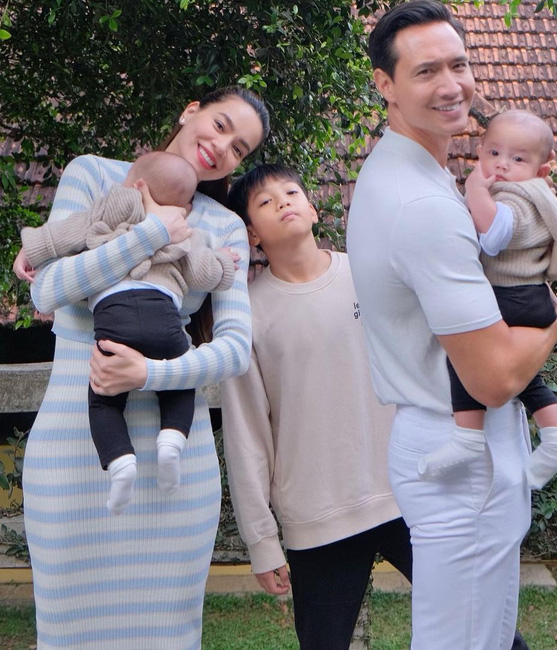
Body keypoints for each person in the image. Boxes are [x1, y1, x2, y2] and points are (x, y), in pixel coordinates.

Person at [12, 85, 269, 650]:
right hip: (74, 452)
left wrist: (148, 375)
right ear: (190, 110)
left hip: (174, 468)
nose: (223, 148)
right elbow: (50, 289)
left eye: (240, 149)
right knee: (67, 633)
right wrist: (152, 234)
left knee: (168, 635)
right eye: (221, 125)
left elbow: (234, 350)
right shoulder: (93, 175)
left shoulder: (223, 226)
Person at [346, 2, 557, 649]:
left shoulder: (408, 171)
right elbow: (493, 377)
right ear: (385, 85)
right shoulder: (422, 203)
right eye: (426, 71)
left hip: (450, 442)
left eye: (459, 64)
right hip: (459, 452)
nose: (451, 85)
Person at [221, 163, 413, 650]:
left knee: (488, 624)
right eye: (265, 202)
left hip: (410, 492)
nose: (283, 202)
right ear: (252, 234)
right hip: (317, 515)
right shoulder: (247, 314)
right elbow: (246, 435)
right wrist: (261, 541)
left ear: (311, 208)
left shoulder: (370, 273)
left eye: (291, 192)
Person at [20, 151, 239, 515]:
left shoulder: (113, 204)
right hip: (164, 319)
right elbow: (206, 274)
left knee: (103, 398)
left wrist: (31, 252)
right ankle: (171, 441)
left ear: (136, 184)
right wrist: (224, 262)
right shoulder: (188, 230)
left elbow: (66, 233)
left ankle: (120, 461)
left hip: (114, 318)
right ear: (185, 205)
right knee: (180, 384)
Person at [419, 109, 557, 488]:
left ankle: (467, 436)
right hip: (530, 298)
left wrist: (476, 190)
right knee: (526, 377)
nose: (502, 165)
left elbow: (495, 238)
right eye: (494, 153)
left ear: (541, 170)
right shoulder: (531, 194)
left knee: (464, 355)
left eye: (517, 159)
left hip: (512, 296)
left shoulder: (518, 198)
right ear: (479, 151)